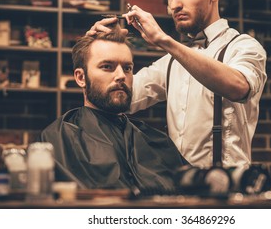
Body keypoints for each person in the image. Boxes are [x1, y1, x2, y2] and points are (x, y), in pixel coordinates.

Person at [86, 0, 267, 169]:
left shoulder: (244, 46)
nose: (174, 5)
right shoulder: (170, 63)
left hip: (229, 193)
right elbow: (118, 97)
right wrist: (94, 51)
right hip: (180, 190)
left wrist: (164, 41)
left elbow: (239, 87)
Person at [40, 25, 188, 191]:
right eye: (107, 67)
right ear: (81, 77)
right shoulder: (61, 137)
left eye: (127, 68)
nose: (121, 76)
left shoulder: (155, 140)